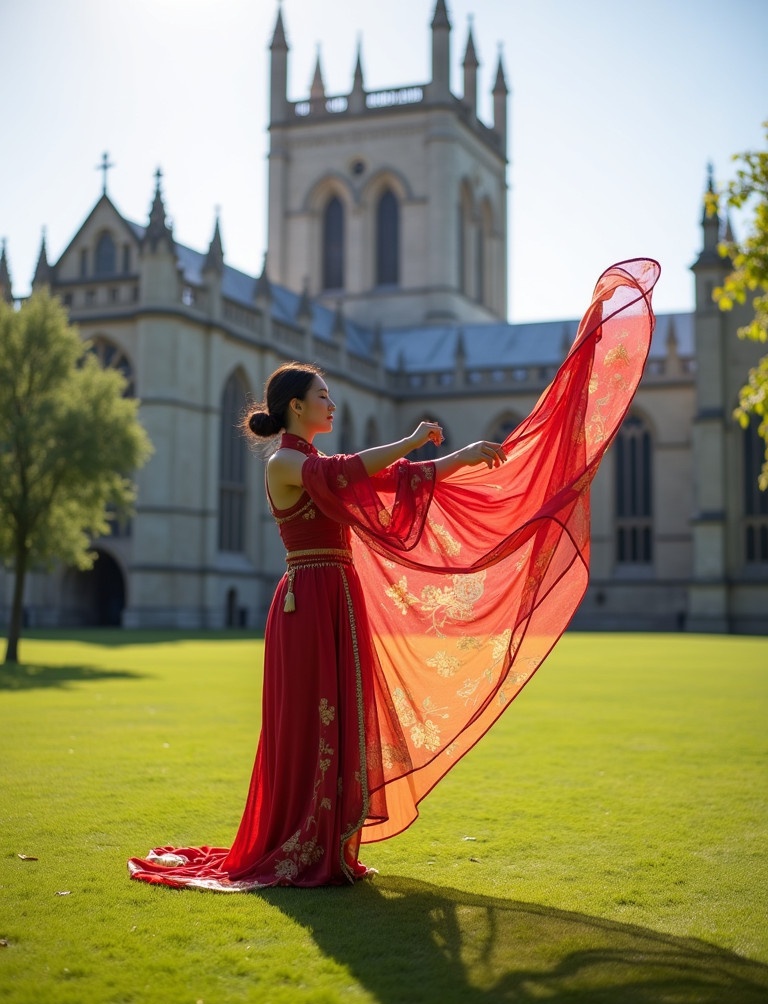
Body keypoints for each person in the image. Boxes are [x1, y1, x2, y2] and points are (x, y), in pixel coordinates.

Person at [128, 257, 660, 891]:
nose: (332, 402)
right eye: (322, 396)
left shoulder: (314, 460)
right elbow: (355, 473)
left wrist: (460, 458)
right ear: (296, 408)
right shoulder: (284, 464)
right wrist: (409, 442)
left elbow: (392, 483)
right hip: (306, 600)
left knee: (344, 715)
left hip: (338, 598)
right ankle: (298, 845)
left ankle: (330, 845)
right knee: (309, 721)